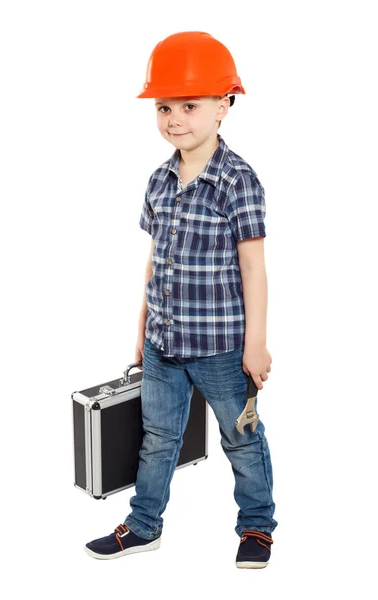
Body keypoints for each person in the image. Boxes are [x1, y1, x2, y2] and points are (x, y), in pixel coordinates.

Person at [85, 31, 278, 568]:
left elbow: (253, 268)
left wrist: (256, 345)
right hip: (164, 345)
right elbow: (155, 263)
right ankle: (144, 524)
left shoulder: (238, 182)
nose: (175, 118)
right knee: (157, 437)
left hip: (220, 347)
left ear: (224, 106)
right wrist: (142, 331)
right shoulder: (158, 181)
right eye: (165, 106)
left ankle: (258, 527)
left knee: (241, 436)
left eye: (190, 105)